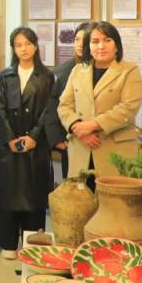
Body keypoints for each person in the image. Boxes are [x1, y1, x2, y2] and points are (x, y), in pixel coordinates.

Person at [0, 27, 56, 258]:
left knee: (33, 193)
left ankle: (32, 243)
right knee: (9, 192)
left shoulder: (46, 76)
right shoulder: (5, 75)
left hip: (35, 145)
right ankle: (8, 242)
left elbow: (49, 110)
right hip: (10, 144)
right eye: (19, 45)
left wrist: (34, 136)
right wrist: (10, 137)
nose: (24, 49)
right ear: (13, 48)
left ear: (36, 46)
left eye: (28, 44)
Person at [58, 21, 142, 178]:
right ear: (88, 46)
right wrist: (78, 129)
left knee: (113, 194)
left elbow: (128, 108)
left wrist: (92, 125)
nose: (101, 46)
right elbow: (64, 105)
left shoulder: (129, 70)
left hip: (115, 151)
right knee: (80, 193)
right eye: (95, 41)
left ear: (116, 46)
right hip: (81, 147)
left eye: (107, 40)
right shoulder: (78, 70)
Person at [41, 22, 91, 178]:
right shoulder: (61, 72)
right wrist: (56, 139)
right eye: (77, 39)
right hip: (70, 140)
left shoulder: (104, 71)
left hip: (97, 141)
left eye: (85, 39)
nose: (80, 44)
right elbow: (51, 107)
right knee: (73, 187)